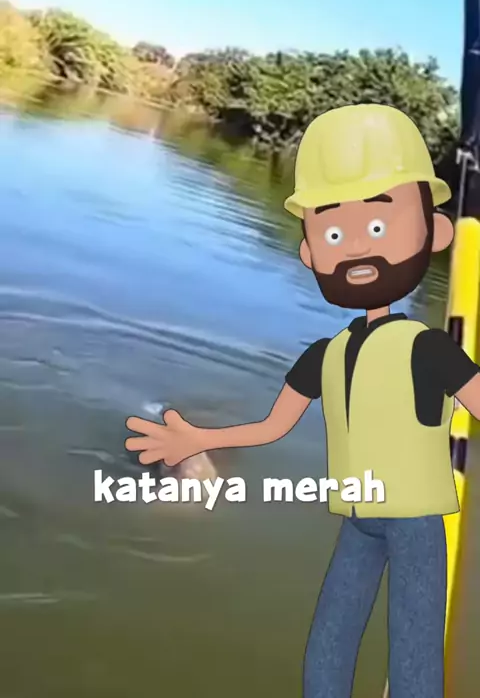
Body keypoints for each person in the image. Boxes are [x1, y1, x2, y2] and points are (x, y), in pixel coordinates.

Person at [125, 103, 480, 698]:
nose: (358, 252)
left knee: (414, 651)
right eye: (334, 235)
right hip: (358, 517)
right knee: (327, 651)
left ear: (436, 234)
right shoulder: (324, 354)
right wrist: (197, 440)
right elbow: (271, 426)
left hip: (418, 524)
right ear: (312, 254)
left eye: (380, 229)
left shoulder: (429, 350)